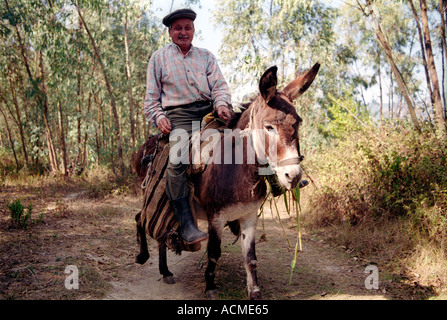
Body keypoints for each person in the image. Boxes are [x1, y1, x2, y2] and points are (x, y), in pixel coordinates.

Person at [144, 8, 232, 245]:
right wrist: (159, 117)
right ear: (170, 32)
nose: (183, 32)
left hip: (208, 111)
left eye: (188, 27)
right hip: (179, 116)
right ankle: (187, 225)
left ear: (193, 30)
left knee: (240, 141)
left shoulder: (206, 56)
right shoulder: (159, 58)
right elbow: (151, 101)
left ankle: (275, 179)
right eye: (178, 28)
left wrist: (222, 104)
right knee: (177, 161)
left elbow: (220, 87)